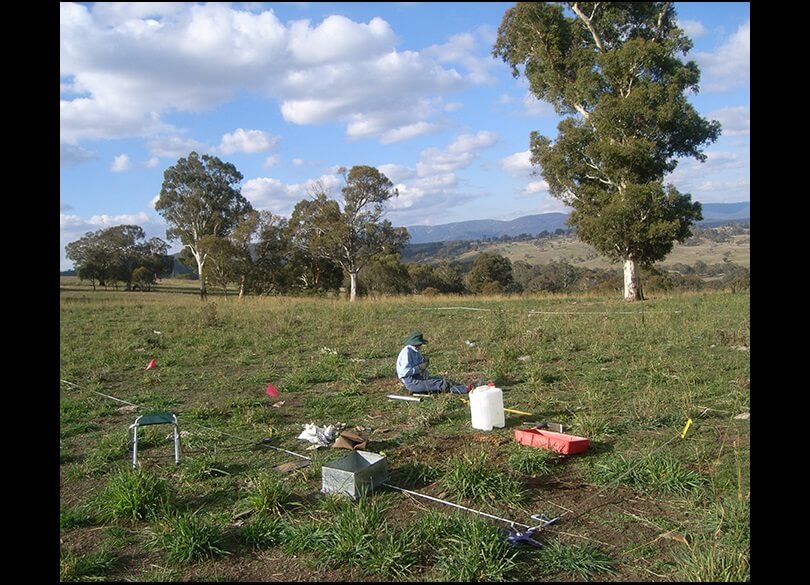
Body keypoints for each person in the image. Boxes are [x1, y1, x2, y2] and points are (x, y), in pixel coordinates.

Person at [396, 331, 469, 394]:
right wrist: (420, 367)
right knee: (441, 384)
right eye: (420, 344)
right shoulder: (407, 352)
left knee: (442, 380)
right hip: (411, 382)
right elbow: (405, 372)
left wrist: (424, 365)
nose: (420, 346)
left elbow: (419, 364)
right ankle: (467, 389)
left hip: (418, 377)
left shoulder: (415, 352)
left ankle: (465, 387)